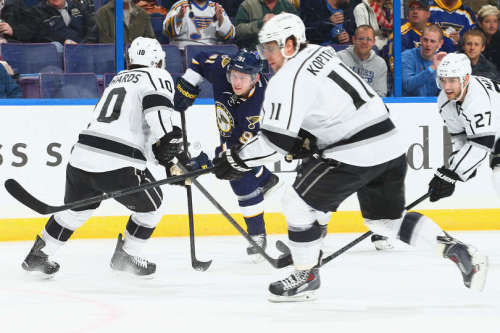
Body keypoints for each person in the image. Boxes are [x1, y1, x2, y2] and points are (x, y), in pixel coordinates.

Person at [212, 13, 488, 302]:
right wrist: (307, 138)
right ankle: (457, 249)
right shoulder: (321, 52)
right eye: (264, 47)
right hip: (387, 140)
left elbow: (274, 143)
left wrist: (236, 160)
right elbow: (322, 105)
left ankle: (306, 274)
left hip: (353, 150)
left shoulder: (286, 80)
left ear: (291, 44)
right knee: (385, 222)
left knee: (296, 203)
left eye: (272, 47)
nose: (266, 54)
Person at [21, 37, 185, 278]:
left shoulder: (118, 79)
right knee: (153, 206)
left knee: (76, 210)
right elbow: (159, 121)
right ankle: (127, 255)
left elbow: (130, 128)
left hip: (81, 155)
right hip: (117, 162)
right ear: (157, 60)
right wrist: (172, 148)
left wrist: (166, 158)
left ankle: (39, 254)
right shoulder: (157, 76)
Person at [173, 49, 283, 261]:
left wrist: (206, 163)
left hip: (252, 142)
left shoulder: (259, 105)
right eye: (234, 76)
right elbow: (200, 58)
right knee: (237, 171)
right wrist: (189, 83)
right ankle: (266, 178)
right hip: (230, 135)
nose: (237, 83)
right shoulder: (221, 68)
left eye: (243, 78)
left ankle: (257, 235)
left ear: (256, 77)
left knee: (239, 178)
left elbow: (236, 152)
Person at [429, 53, 500, 206]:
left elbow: (481, 146)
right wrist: (455, 169)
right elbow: (460, 136)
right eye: (443, 80)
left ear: (466, 79)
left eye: (452, 81)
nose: (447, 87)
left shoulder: (477, 100)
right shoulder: (444, 100)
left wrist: (453, 173)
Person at [386, 0, 456, 70]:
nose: (415, 12)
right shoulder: (399, 34)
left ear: (428, 14)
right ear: (408, 14)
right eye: (412, 8)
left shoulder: (438, 33)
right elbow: (397, 66)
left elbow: (453, 58)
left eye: (419, 9)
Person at [337, 25, 388, 96]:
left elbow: (380, 94)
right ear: (354, 40)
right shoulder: (339, 58)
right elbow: (334, 89)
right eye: (361, 39)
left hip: (370, 105)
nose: (364, 42)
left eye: (369, 39)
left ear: (374, 42)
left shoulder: (380, 63)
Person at [163, 0, 235, 50]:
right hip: (183, 50)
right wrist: (179, 17)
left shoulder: (216, 7)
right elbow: (166, 31)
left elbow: (230, 35)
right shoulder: (179, 6)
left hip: (211, 51)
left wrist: (221, 19)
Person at [233, 0, 299, 50]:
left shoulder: (287, 6)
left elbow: (299, 29)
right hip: (254, 55)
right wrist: (261, 24)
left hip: (283, 54)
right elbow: (237, 32)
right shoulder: (248, 5)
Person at [402, 24, 444, 96]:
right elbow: (407, 85)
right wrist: (432, 68)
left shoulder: (443, 60)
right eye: (425, 40)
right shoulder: (407, 56)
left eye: (432, 41)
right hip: (407, 104)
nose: (428, 44)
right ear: (420, 39)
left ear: (440, 43)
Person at [31, 0, 97, 44]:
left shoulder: (80, 7)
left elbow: (92, 31)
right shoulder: (37, 13)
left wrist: (82, 46)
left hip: (83, 51)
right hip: (55, 57)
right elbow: (39, 40)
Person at [477, 5, 500, 70]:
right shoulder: (474, 38)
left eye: (495, 21)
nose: (492, 25)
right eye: (487, 21)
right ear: (480, 23)